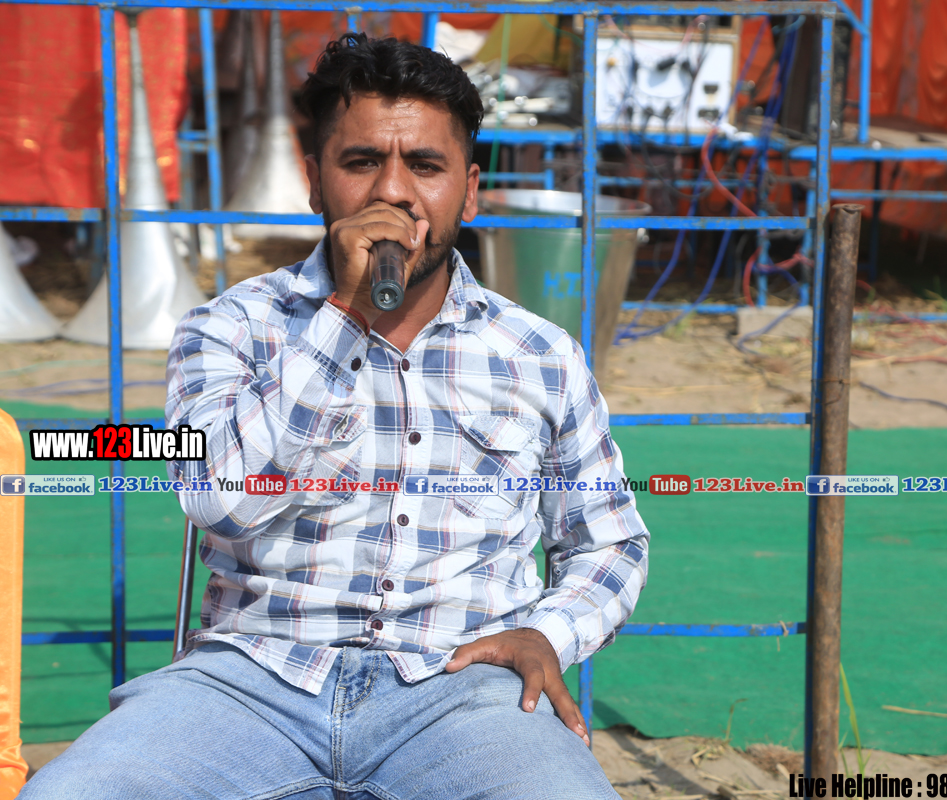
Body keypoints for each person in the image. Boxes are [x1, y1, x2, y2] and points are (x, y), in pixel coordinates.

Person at [20, 34, 649, 800]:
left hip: (465, 687)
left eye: (426, 166)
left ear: (470, 191)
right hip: (249, 678)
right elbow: (221, 500)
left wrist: (547, 633)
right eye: (361, 163)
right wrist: (343, 318)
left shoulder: (539, 354)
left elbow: (609, 541)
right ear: (316, 181)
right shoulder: (229, 329)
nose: (394, 194)